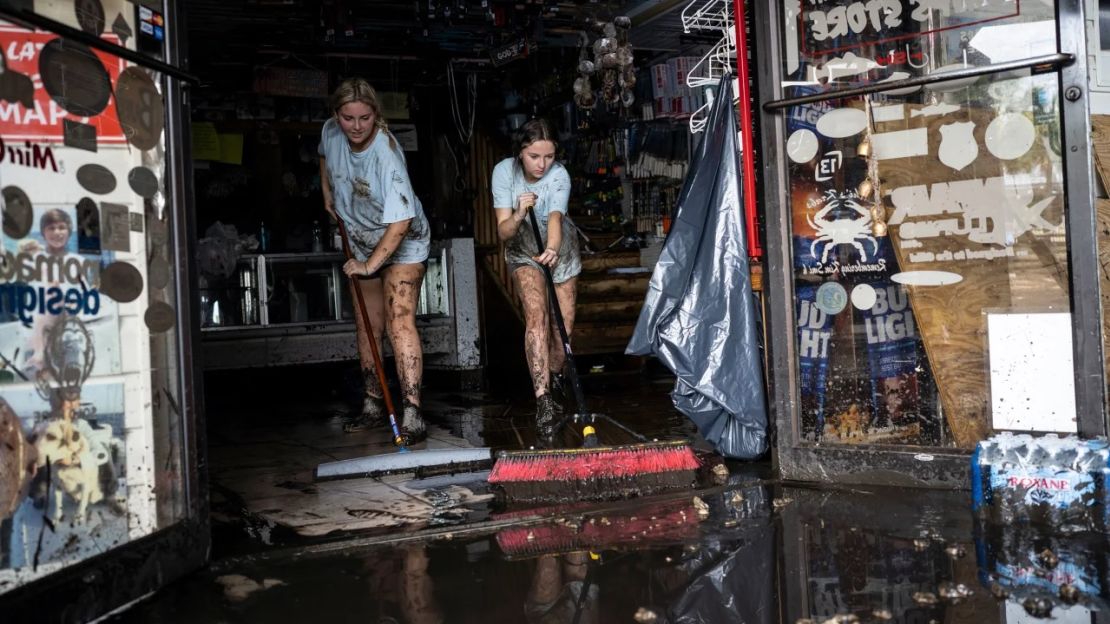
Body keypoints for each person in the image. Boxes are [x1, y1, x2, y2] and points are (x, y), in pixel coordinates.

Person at [319, 78, 431, 442]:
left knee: (399, 321)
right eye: (347, 117)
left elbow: (402, 220)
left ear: (376, 115)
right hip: (361, 238)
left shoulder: (385, 153)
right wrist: (327, 193)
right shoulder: (331, 132)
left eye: (364, 118)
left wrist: (369, 266)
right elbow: (324, 156)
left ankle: (412, 413)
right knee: (369, 326)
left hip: (404, 241)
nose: (355, 126)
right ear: (336, 115)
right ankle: (372, 405)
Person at [491, 118, 582, 440]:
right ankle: (543, 398)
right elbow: (503, 232)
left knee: (563, 330)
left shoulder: (559, 176)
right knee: (536, 317)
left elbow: (555, 218)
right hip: (523, 250)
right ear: (520, 153)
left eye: (549, 156)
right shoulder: (503, 172)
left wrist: (553, 249)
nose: (542, 164)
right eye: (534, 156)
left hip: (561, 251)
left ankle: (555, 379)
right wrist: (517, 213)